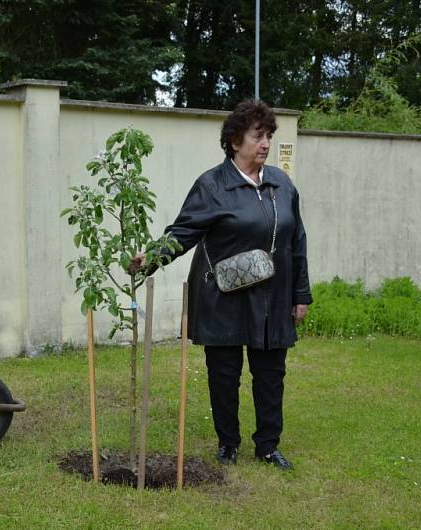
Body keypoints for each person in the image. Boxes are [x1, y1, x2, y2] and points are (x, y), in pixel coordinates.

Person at [132, 100, 311, 470]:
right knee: (224, 374)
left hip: (272, 297)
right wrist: (151, 258)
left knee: (270, 374)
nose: (265, 144)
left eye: (269, 137)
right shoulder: (212, 185)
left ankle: (267, 445)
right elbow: (183, 232)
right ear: (234, 141)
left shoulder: (282, 183)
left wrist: (300, 295)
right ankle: (228, 442)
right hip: (223, 295)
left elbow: (297, 242)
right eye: (257, 136)